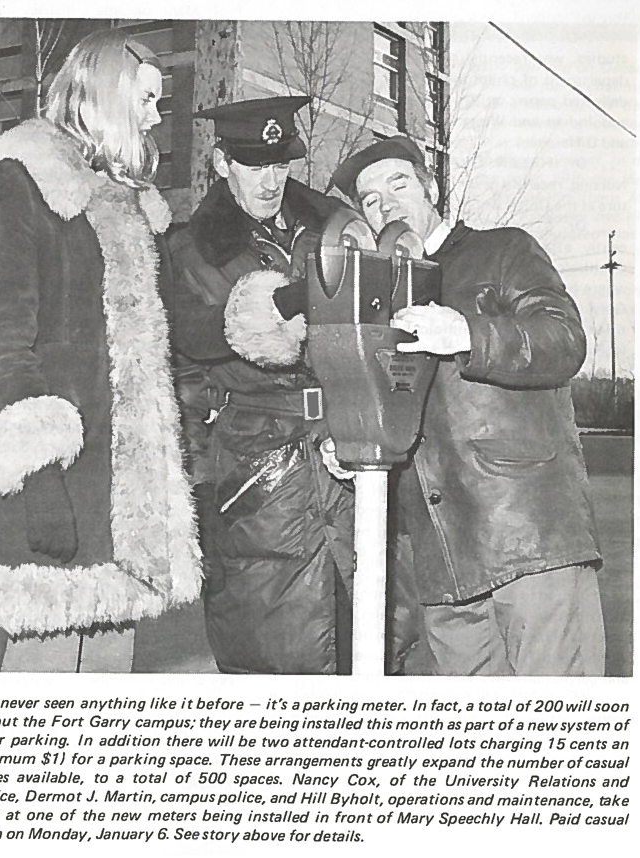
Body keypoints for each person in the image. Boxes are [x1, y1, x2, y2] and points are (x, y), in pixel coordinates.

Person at [0, 29, 202, 672]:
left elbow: (180, 332)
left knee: (107, 694)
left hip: (120, 497)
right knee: (39, 698)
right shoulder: (24, 182)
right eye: (147, 98)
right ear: (104, 92)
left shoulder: (137, 208)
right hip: (56, 480)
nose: (158, 116)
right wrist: (37, 471)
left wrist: (274, 310)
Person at [327, 135, 605, 675]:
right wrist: (347, 439)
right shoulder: (377, 289)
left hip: (528, 542)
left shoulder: (502, 250)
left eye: (398, 183)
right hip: (442, 566)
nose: (385, 204)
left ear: (430, 187)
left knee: (564, 737)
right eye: (369, 198)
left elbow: (564, 339)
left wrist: (468, 333)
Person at [166, 96, 356, 674]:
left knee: (368, 639)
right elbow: (185, 381)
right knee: (274, 653)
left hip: (350, 448)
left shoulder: (337, 232)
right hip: (255, 474)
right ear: (222, 163)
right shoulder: (190, 250)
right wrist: (199, 502)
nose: (272, 180)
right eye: (254, 166)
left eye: (281, 164)